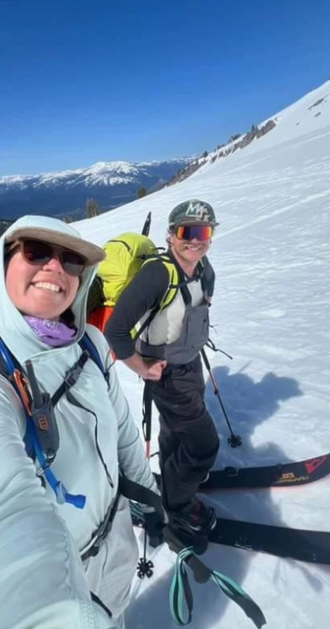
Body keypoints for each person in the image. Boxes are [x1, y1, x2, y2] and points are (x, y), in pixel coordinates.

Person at [0, 216, 162, 629]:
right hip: (63, 583)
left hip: (119, 547)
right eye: (36, 252)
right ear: (3, 264)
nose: (56, 267)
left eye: (72, 260)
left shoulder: (89, 343)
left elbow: (123, 429)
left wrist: (147, 494)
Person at [106, 199, 219, 545]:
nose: (196, 240)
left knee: (176, 431)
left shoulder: (203, 269)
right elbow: (116, 331)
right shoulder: (157, 273)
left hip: (190, 364)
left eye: (204, 232)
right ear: (171, 235)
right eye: (187, 232)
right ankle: (179, 505)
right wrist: (141, 366)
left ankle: (172, 478)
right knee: (203, 446)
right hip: (167, 373)